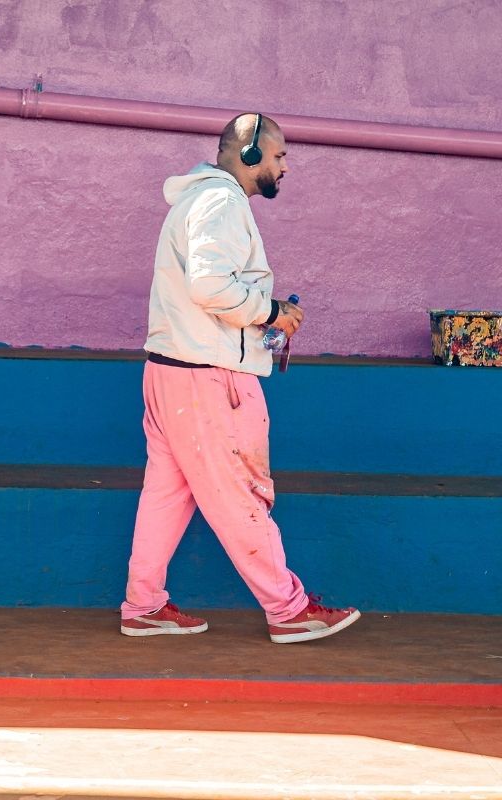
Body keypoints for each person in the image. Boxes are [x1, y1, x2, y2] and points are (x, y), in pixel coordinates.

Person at [120, 112, 360, 644]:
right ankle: (288, 610)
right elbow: (210, 287)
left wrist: (263, 314)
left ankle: (142, 605)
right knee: (240, 498)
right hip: (207, 381)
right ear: (249, 154)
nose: (285, 167)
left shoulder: (198, 199)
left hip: (171, 373)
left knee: (165, 497)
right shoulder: (222, 202)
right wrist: (271, 311)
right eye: (279, 156)